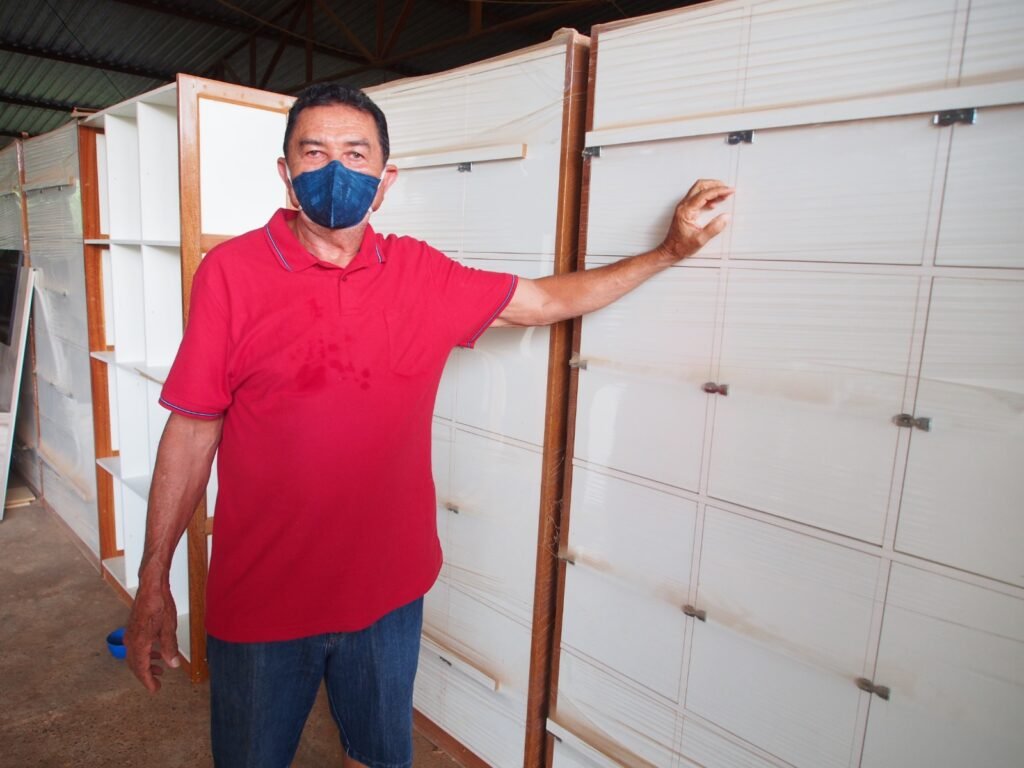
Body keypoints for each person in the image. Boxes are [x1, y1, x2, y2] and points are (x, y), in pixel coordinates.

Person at [124, 83, 733, 768]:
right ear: (286, 173)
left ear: (385, 182)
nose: (335, 170)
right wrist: (154, 577)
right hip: (263, 599)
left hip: (387, 595)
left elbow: (543, 301)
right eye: (314, 152)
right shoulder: (230, 273)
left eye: (356, 154)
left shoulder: (419, 271)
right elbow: (193, 430)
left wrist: (667, 252)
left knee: (382, 758)